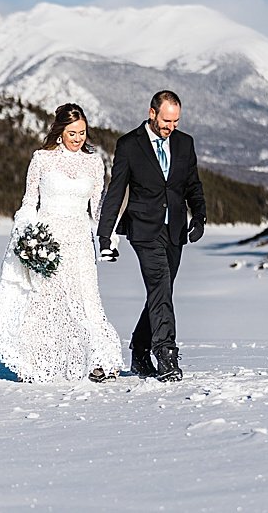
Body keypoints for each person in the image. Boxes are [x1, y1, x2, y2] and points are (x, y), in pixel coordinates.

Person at [0, 103, 124, 383]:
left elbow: (97, 207)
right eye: (72, 133)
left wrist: (109, 235)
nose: (78, 139)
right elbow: (29, 202)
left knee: (87, 300)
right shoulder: (41, 159)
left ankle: (98, 360)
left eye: (82, 133)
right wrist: (27, 236)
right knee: (47, 303)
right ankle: (38, 363)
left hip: (80, 241)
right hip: (48, 241)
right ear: (59, 132)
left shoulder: (94, 162)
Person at [96, 90, 207, 382]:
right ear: (152, 113)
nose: (170, 127)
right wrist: (104, 235)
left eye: (176, 121)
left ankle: (140, 349)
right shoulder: (130, 145)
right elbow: (116, 191)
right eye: (166, 120)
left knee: (162, 291)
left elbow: (193, 184)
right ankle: (166, 353)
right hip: (144, 229)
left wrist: (199, 216)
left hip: (175, 229)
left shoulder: (185, 143)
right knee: (160, 285)